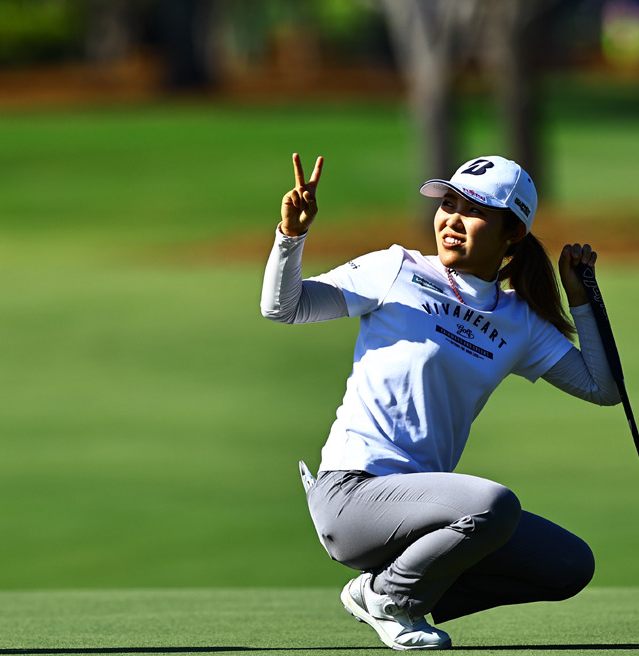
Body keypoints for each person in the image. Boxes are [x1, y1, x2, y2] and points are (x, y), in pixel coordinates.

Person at [260, 153, 620, 650]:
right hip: (352, 495)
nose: (451, 219)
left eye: (472, 210)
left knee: (567, 565)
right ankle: (390, 597)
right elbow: (284, 307)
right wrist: (290, 236)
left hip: (425, 516)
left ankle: (396, 589)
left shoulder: (521, 321)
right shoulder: (395, 269)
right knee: (493, 505)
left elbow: (604, 389)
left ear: (512, 232)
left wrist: (582, 299)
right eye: (447, 203)